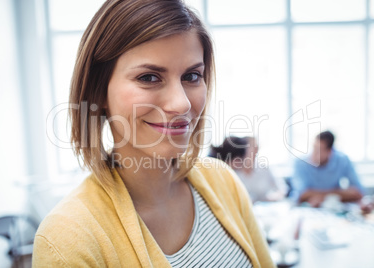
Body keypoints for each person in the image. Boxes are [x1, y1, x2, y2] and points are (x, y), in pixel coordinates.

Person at [32, 1, 275, 267]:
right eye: (149, 77)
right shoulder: (66, 240)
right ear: (97, 91)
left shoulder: (223, 181)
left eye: (192, 76)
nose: (181, 104)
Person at [291, 130, 364, 207]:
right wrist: (340, 194)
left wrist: (321, 197)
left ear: (330, 152)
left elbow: (357, 192)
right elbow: (302, 195)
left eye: (318, 150)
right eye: (314, 148)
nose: (314, 154)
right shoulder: (300, 163)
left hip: (334, 209)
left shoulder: (342, 160)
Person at [210, 136, 287, 203]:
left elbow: (281, 189)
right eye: (252, 149)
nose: (255, 152)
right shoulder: (222, 173)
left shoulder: (264, 167)